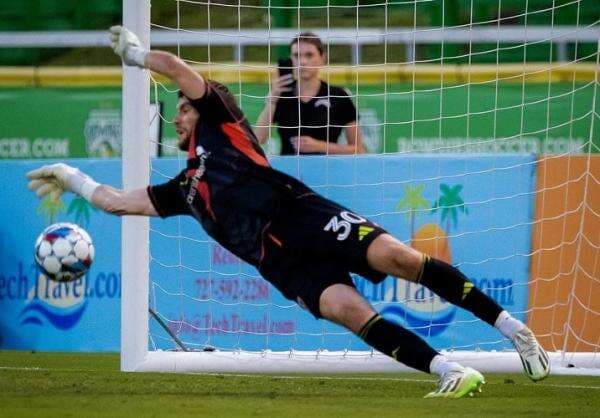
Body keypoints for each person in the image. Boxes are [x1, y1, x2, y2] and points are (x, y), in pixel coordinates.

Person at [27, 26, 549, 398]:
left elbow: (179, 70)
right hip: (279, 264)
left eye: (185, 107)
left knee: (403, 260)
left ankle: (511, 328)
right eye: (180, 112)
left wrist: (138, 56)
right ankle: (448, 371)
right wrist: (72, 176)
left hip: (302, 213)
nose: (181, 114)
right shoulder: (184, 188)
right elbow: (117, 203)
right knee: (349, 312)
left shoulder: (224, 121)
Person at [254, 32, 367, 155]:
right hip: (289, 171)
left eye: (309, 55)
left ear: (322, 58)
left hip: (328, 170)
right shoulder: (282, 94)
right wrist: (272, 99)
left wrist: (320, 146)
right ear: (291, 59)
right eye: (297, 55)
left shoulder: (338, 95)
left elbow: (359, 150)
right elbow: (258, 140)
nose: (302, 61)